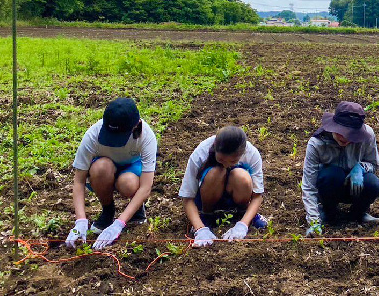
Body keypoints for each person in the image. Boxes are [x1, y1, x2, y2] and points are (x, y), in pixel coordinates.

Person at [65, 98, 157, 250]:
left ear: (136, 126)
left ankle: (136, 209)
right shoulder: (93, 135)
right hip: (104, 168)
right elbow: (79, 181)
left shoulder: (146, 136)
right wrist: (80, 221)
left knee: (128, 183)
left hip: (131, 168)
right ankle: (108, 211)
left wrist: (119, 224)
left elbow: (146, 187)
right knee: (101, 168)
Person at [178, 125, 268, 247]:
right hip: (208, 195)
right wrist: (200, 228)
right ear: (215, 147)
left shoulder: (252, 154)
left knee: (241, 176)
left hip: (235, 193)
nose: (226, 165)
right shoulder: (201, 153)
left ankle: (242, 213)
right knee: (217, 172)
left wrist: (243, 225)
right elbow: (187, 197)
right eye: (221, 160)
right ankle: (207, 216)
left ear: (242, 153)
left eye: (232, 162)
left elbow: (257, 196)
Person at [302, 102, 379, 236]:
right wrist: (314, 221)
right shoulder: (316, 144)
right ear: (333, 127)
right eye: (342, 133)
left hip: (356, 187)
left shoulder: (368, 135)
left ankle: (358, 213)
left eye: (352, 135)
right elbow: (309, 187)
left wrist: (360, 168)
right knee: (332, 175)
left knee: (373, 183)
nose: (346, 138)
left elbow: (374, 164)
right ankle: (328, 212)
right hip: (329, 187)